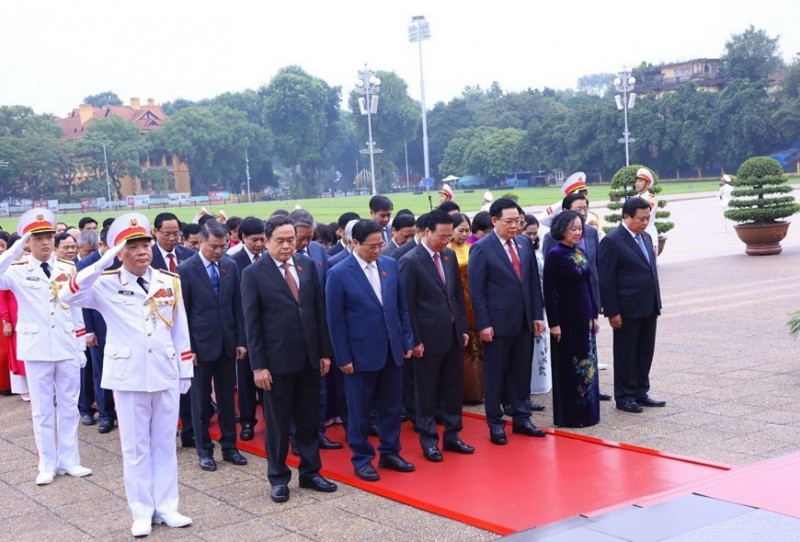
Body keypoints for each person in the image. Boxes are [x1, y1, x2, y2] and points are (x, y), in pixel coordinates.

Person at [61, 213, 193, 537]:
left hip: (164, 370)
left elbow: (180, 329)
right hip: (129, 374)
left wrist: (185, 369)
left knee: (163, 443)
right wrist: (104, 259)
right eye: (132, 246)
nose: (142, 251)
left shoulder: (168, 280)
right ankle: (141, 511)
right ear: (120, 251)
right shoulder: (105, 282)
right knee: (135, 448)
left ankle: (167, 506)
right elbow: (68, 295)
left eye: (145, 244)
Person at [242, 215, 337, 503]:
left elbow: (317, 312)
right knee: (279, 423)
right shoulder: (254, 273)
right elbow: (252, 323)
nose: (287, 246)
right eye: (280, 241)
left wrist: (323, 352)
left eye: (291, 240)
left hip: (309, 358)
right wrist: (258, 366)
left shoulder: (306, 265)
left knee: (309, 419)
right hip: (276, 362)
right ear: (267, 242)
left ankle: (310, 472)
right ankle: (278, 477)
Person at [0, 209, 90, 486]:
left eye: (49, 236)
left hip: (65, 343)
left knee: (69, 405)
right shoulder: (16, 269)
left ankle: (70, 459)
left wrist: (80, 346)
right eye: (37, 237)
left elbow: (75, 309)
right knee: (41, 409)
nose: (45, 242)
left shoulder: (68, 268)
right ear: (28, 241)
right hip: (37, 346)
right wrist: (15, 249)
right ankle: (46, 463)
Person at [326, 220, 415, 482]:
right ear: (355, 243)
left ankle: (390, 451)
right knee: (360, 411)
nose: (377, 250)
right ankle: (362, 458)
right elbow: (335, 321)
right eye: (371, 246)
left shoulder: (389, 265)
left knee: (391, 406)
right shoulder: (339, 272)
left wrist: (406, 341)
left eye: (380, 245)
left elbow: (401, 308)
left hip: (391, 349)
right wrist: (342, 357)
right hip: (359, 354)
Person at [468, 198, 546, 445]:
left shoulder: (523, 243)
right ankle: (495, 423)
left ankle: (522, 417)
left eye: (518, 221)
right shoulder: (482, 248)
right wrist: (484, 324)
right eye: (509, 221)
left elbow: (533, 283)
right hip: (497, 323)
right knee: (496, 374)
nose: (515, 226)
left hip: (524, 320)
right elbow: (477, 291)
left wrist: (536, 315)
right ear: (494, 221)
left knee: (522, 371)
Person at [399, 210, 473, 462]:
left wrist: (462, 328)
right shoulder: (410, 260)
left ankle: (453, 436)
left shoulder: (449, 255)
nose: (445, 240)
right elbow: (407, 305)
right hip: (426, 339)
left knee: (454, 389)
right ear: (426, 231)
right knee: (427, 393)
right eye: (441, 236)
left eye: (448, 236)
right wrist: (414, 339)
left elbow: (455, 296)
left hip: (452, 334)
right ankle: (429, 440)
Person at [177, 220, 249, 472]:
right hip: (200, 345)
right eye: (214, 247)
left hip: (227, 343)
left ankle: (230, 446)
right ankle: (204, 450)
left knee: (228, 399)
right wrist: (188, 348)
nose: (219, 251)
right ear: (201, 242)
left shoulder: (229, 266)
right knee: (200, 401)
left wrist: (241, 340)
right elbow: (182, 313)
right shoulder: (186, 269)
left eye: (223, 246)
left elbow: (237, 306)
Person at [598, 197, 665, 414]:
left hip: (648, 306)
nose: (645, 222)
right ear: (626, 216)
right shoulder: (612, 240)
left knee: (645, 351)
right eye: (641, 219)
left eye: (647, 218)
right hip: (626, 310)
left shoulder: (645, 237)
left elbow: (650, 271)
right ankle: (625, 396)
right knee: (626, 353)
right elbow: (606, 280)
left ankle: (640, 391)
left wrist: (657, 302)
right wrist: (612, 311)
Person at [543, 211, 600, 428]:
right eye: (572, 229)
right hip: (566, 319)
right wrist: (554, 323)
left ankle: (589, 412)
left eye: (579, 228)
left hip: (584, 316)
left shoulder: (580, 252)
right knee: (569, 364)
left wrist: (594, 315)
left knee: (588, 363)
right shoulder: (555, 255)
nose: (577, 233)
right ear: (561, 230)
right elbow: (549, 290)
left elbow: (588, 284)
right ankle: (571, 415)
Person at [150, 212, 195, 448]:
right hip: (157, 329)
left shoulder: (188, 255)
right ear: (155, 232)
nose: (172, 238)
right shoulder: (147, 257)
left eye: (176, 233)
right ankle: (163, 434)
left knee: (186, 381)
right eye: (167, 234)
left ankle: (189, 431)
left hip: (184, 328)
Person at [76, 227, 119, 434]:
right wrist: (88, 331)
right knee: (101, 372)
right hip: (97, 326)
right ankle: (106, 415)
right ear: (103, 244)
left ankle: (119, 411)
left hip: (119, 324)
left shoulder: (121, 260)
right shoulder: (85, 264)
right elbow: (81, 301)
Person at [230, 216, 266, 441]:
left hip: (269, 330)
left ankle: (272, 419)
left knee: (268, 380)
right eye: (255, 240)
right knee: (245, 381)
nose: (260, 245)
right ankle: (247, 421)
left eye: (263, 239)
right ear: (242, 238)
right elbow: (233, 304)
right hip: (244, 331)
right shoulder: (232, 261)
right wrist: (240, 340)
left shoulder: (270, 258)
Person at [448, 214, 484, 403]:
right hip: (457, 300)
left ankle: (478, 390)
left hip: (474, 299)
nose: (464, 234)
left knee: (477, 344)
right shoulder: (446, 251)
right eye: (460, 230)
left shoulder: (473, 248)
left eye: (467, 230)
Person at [522, 215, 551, 397]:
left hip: (541, 302)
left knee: (541, 344)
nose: (532, 237)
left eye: (534, 233)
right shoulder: (523, 252)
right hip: (526, 304)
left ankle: (543, 382)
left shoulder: (539, 252)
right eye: (528, 233)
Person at [634, 168, 659, 252]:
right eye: (636, 181)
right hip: (636, 236)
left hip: (648, 234)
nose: (637, 184)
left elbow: (646, 216)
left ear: (647, 183)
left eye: (640, 181)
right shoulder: (633, 199)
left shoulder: (651, 199)